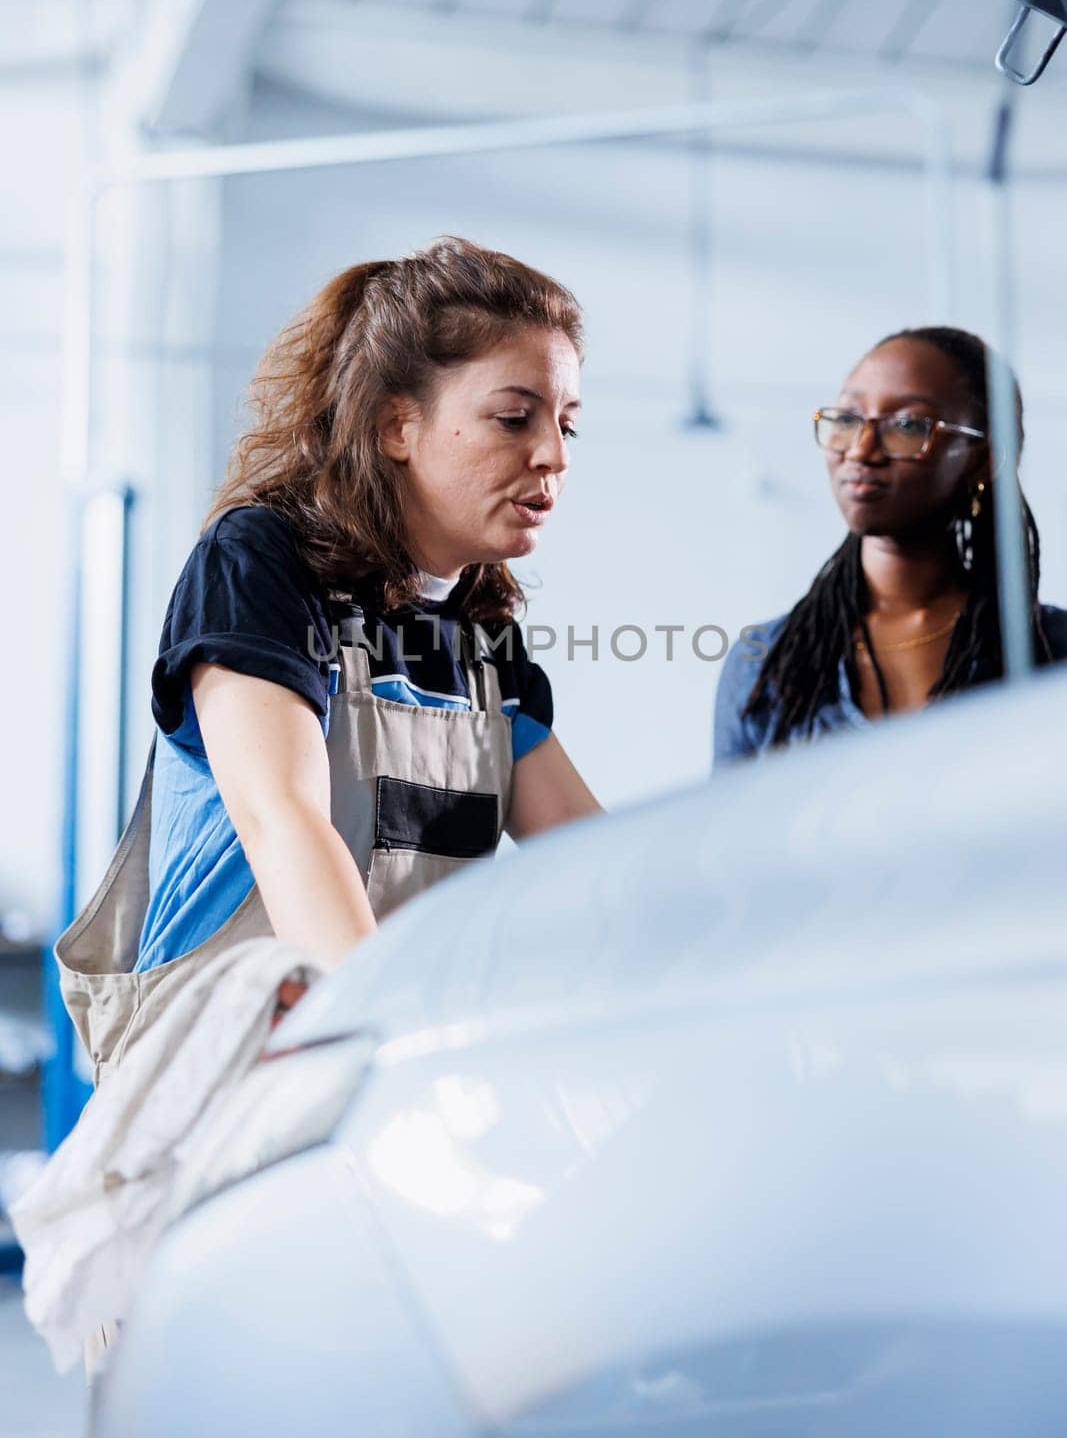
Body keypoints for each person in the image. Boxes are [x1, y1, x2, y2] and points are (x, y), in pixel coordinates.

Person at [57, 236, 600, 1081]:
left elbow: (586, 860)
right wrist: (381, 1032)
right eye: (513, 417)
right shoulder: (260, 561)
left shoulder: (482, 633)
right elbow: (284, 820)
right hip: (222, 1070)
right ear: (396, 426)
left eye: (566, 425)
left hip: (383, 1065)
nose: (553, 456)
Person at [714, 325, 1067, 765]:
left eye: (905, 425)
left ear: (984, 458)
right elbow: (731, 832)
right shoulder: (765, 662)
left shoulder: (1051, 654)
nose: (861, 449)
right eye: (846, 419)